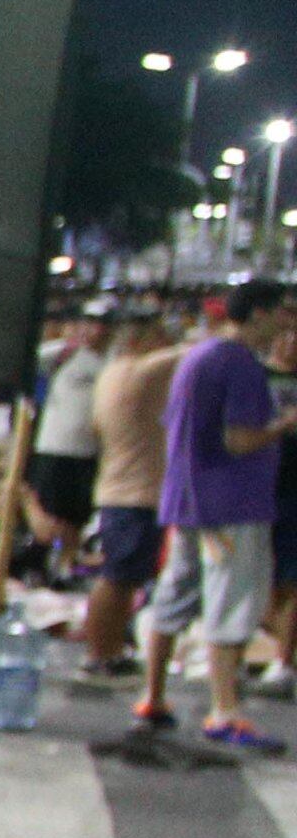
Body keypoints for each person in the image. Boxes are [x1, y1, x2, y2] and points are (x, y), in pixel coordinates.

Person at [135, 279, 297, 752]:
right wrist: (285, 426)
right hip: (231, 506)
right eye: (283, 313)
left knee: (174, 598)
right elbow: (239, 439)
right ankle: (225, 710)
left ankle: (153, 696)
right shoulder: (241, 364)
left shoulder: (199, 357)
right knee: (232, 604)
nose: (287, 323)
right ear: (260, 314)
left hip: (188, 500)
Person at [83, 305, 182, 679]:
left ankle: (107, 650)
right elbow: (195, 351)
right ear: (140, 340)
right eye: (160, 334)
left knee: (122, 578)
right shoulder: (139, 372)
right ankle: (101, 652)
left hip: (118, 489)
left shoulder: (110, 375)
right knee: (118, 578)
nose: (167, 341)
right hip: (134, 494)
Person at [31, 306, 107, 576]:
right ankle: (47, 565)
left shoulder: (112, 362)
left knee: (77, 516)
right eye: (87, 322)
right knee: (53, 516)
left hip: (89, 452)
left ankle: (67, 566)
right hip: (56, 448)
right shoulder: (65, 353)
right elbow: (30, 358)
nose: (92, 329)